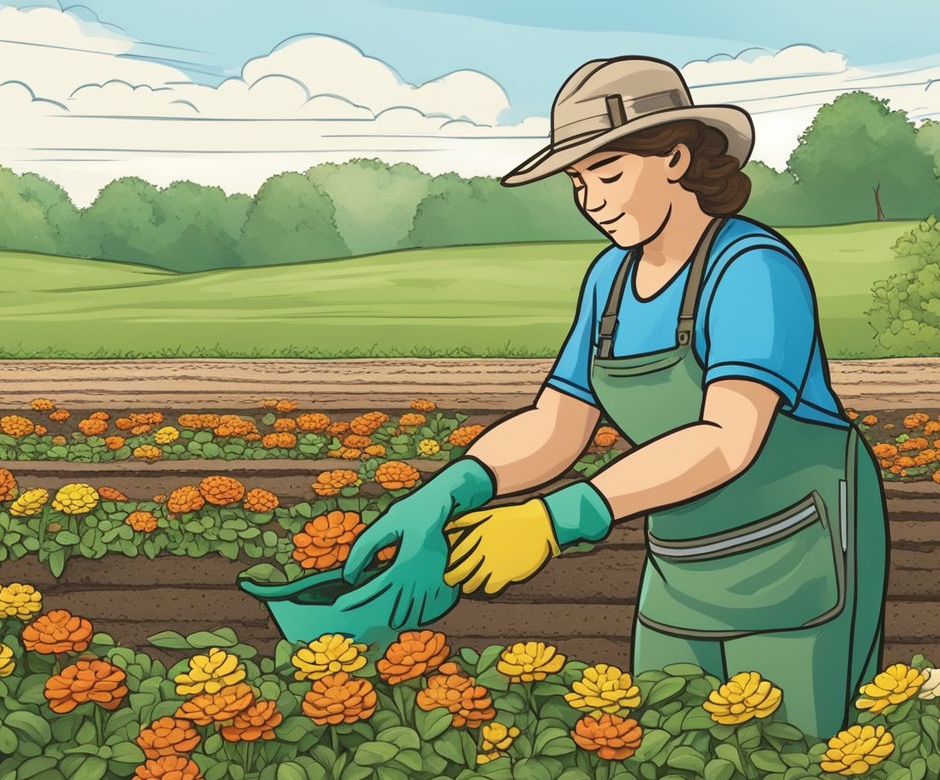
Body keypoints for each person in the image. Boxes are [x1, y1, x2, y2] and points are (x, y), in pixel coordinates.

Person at [339, 55, 890, 739]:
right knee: (666, 752)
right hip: (683, 563)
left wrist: (560, 517)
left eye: (609, 173)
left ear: (677, 158)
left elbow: (727, 439)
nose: (592, 200)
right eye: (578, 181)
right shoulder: (609, 281)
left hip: (799, 561)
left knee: (792, 759)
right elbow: (556, 423)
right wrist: (456, 486)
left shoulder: (753, 268)